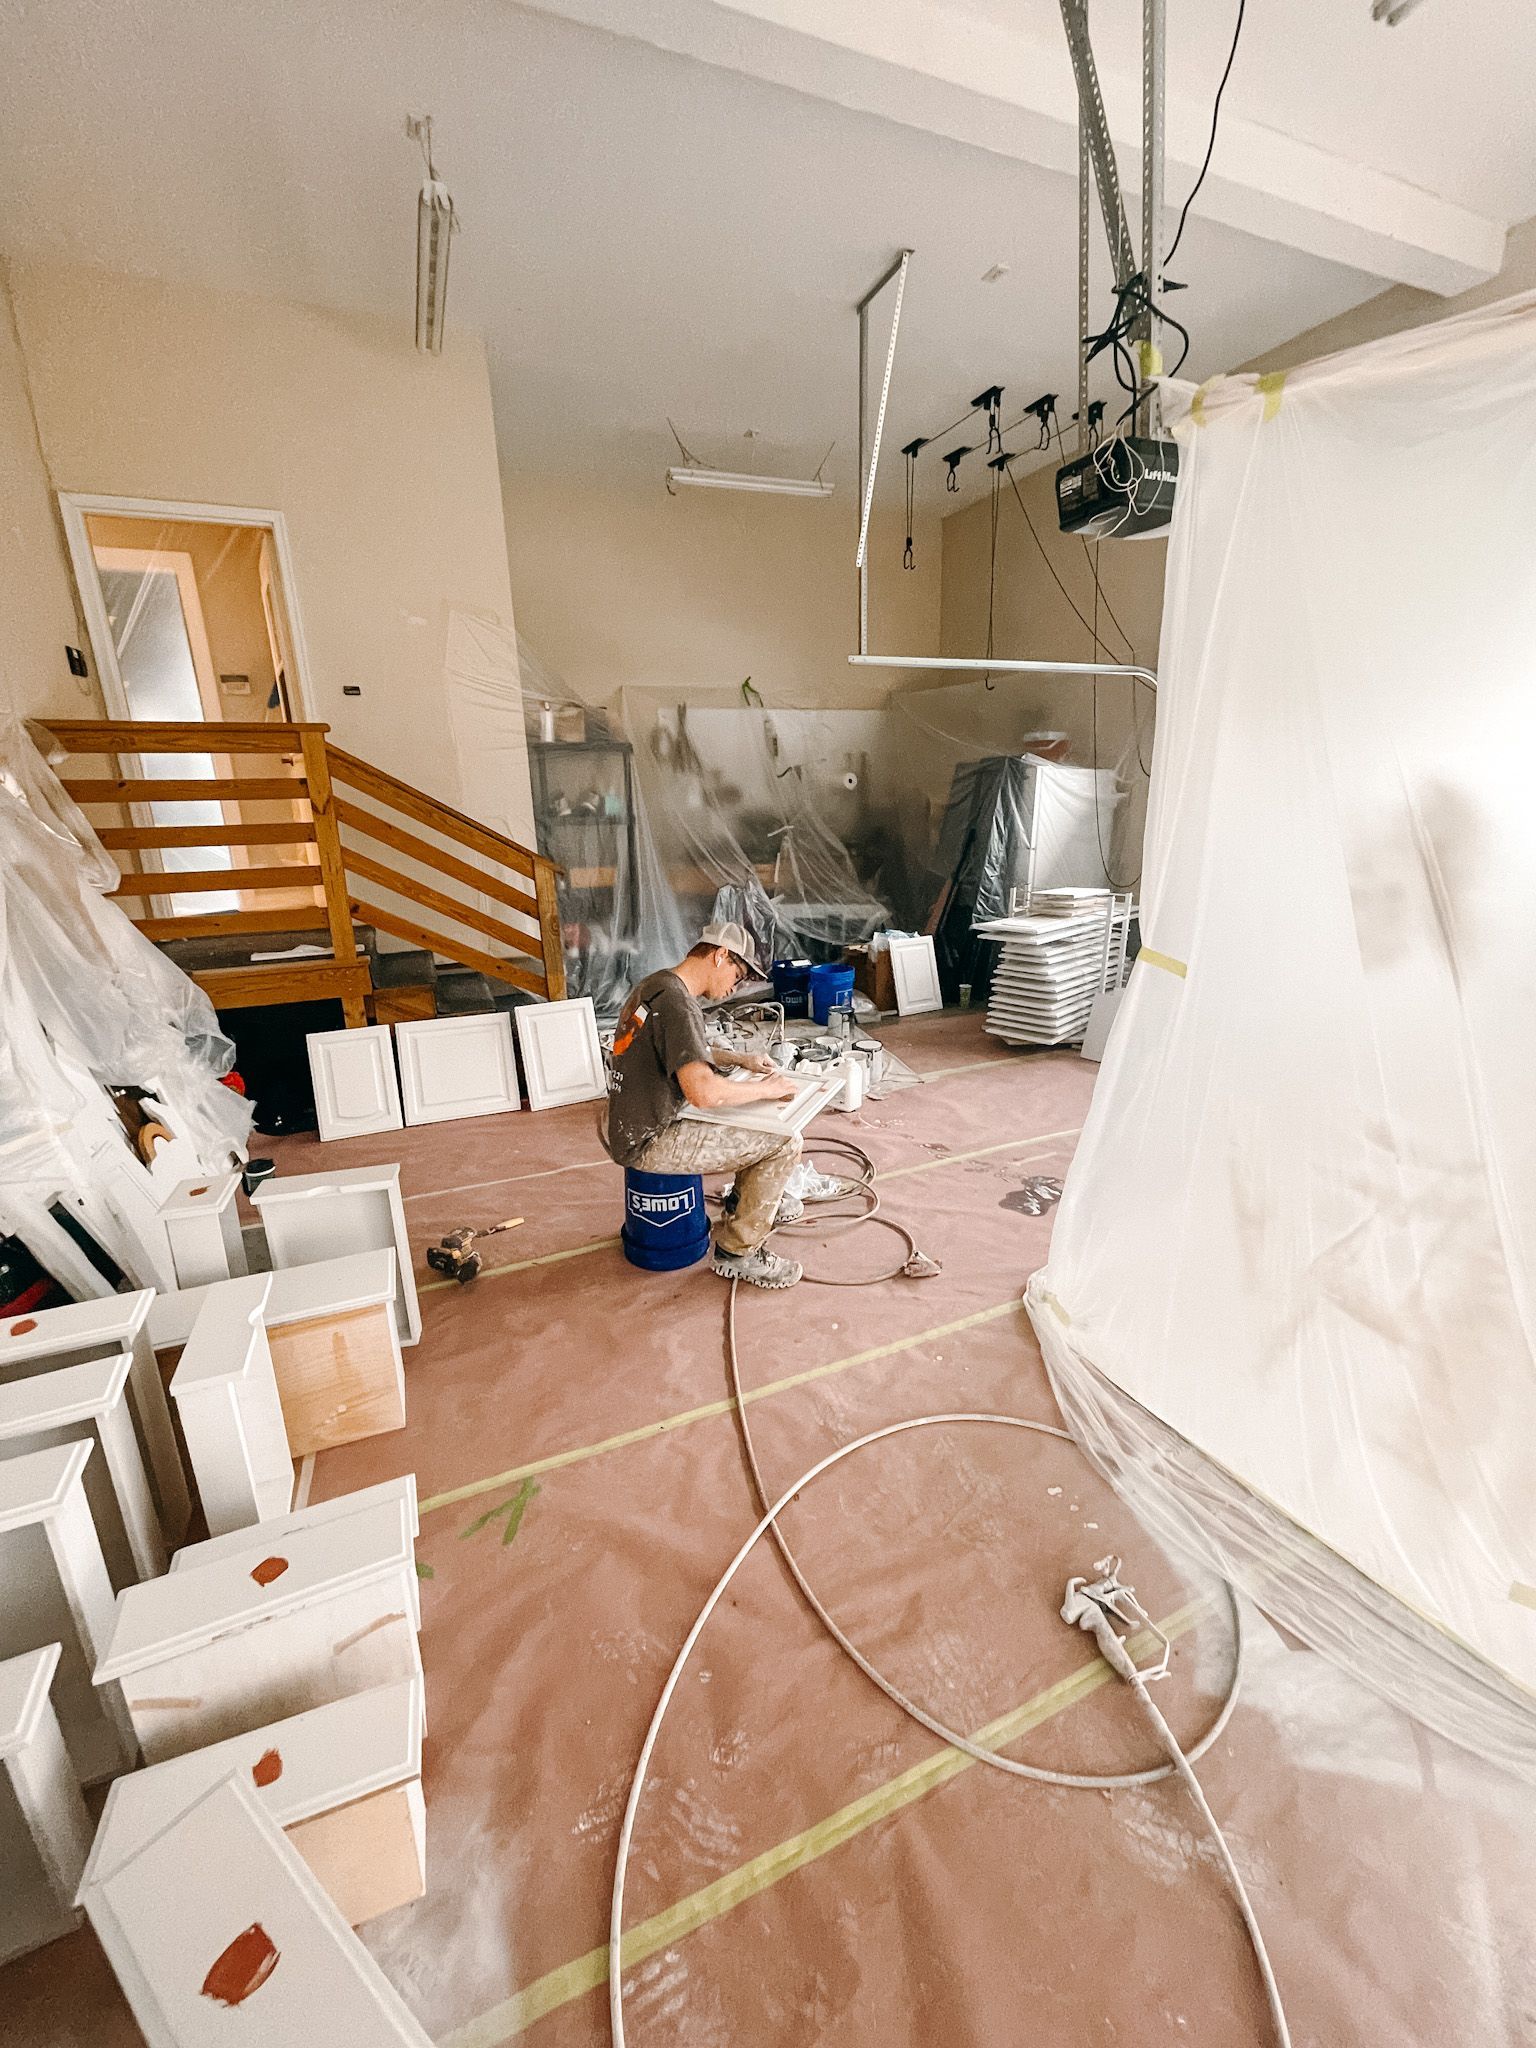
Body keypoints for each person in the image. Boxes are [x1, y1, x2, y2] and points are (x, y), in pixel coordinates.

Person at [604, 921, 805, 1288]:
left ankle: (743, 1205)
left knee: (750, 1121)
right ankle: (738, 1252)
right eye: (737, 975)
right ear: (720, 955)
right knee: (784, 1139)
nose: (735, 987)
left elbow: (681, 1047)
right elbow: (704, 1093)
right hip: (650, 1139)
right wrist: (768, 1089)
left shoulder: (657, 985)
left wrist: (740, 1059)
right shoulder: (678, 1004)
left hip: (625, 1123)